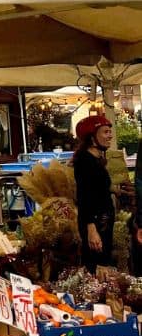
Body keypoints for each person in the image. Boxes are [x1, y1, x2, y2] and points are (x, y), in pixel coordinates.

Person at [72, 114, 116, 272]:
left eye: (110, 131)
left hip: (103, 222)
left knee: (103, 267)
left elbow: (97, 188)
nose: (110, 135)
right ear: (92, 138)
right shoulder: (85, 161)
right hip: (95, 223)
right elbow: (85, 196)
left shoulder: (95, 159)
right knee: (97, 268)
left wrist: (116, 190)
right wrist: (91, 229)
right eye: (105, 132)